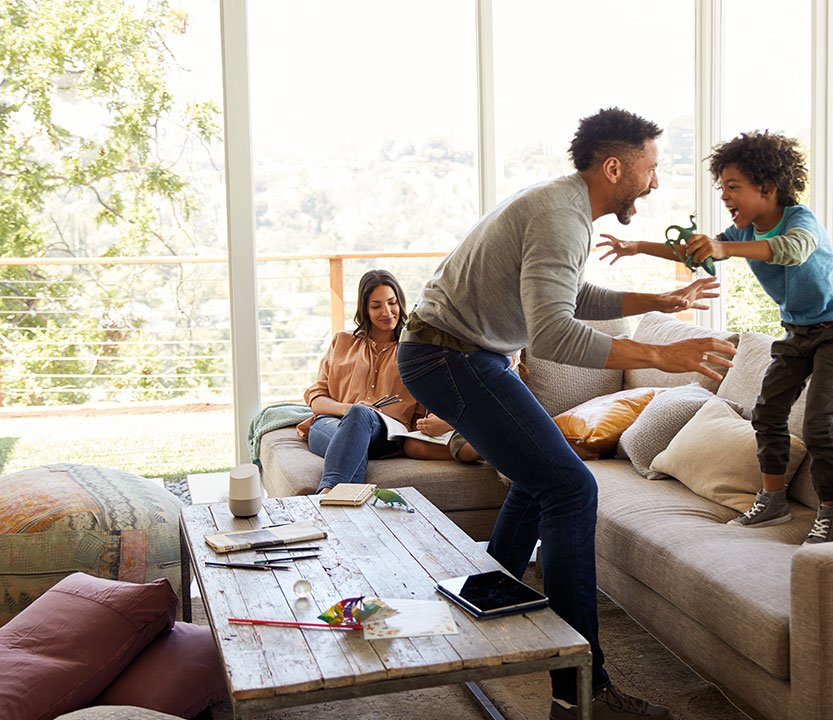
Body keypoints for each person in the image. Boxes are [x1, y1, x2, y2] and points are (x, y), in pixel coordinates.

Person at [398, 107, 737, 720]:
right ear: (614, 167)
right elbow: (553, 332)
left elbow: (565, 294)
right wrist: (662, 351)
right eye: (650, 169)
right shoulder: (560, 215)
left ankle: (490, 607)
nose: (655, 184)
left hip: (462, 353)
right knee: (572, 488)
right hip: (447, 356)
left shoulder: (563, 207)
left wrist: (656, 298)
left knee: (543, 478)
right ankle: (583, 692)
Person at [598, 130, 833, 545]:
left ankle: (831, 512)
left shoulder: (800, 222)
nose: (724, 196)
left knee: (817, 423)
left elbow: (791, 250)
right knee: (767, 414)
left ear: (768, 188)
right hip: (798, 331)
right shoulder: (742, 233)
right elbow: (697, 251)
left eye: (733, 187)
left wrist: (725, 250)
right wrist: (637, 246)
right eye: (721, 186)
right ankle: (773, 500)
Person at [298, 269, 439, 493]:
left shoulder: (414, 350)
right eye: (376, 306)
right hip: (329, 425)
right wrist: (350, 408)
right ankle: (340, 499)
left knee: (358, 423)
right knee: (354, 425)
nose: (387, 312)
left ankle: (328, 494)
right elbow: (316, 399)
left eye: (392, 303)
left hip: (383, 436)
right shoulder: (342, 342)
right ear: (364, 308)